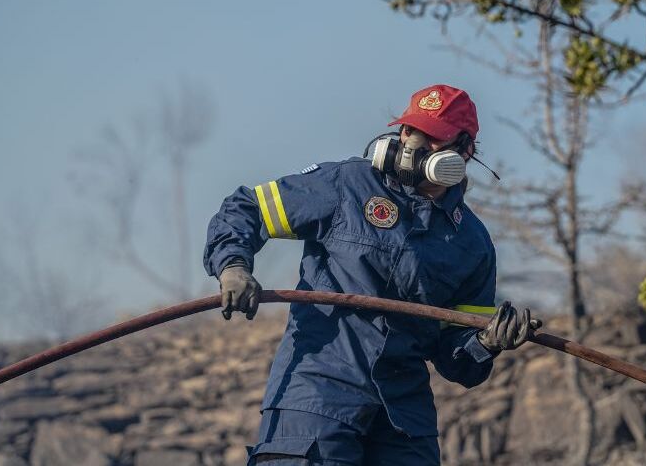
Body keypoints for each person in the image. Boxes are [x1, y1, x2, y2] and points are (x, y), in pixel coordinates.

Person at [203, 84, 540, 465]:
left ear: (463, 151)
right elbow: (247, 208)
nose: (411, 144)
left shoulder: (472, 243)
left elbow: (457, 362)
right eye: (409, 130)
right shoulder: (347, 184)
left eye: (431, 136)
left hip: (404, 421)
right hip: (317, 397)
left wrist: (487, 342)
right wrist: (233, 265)